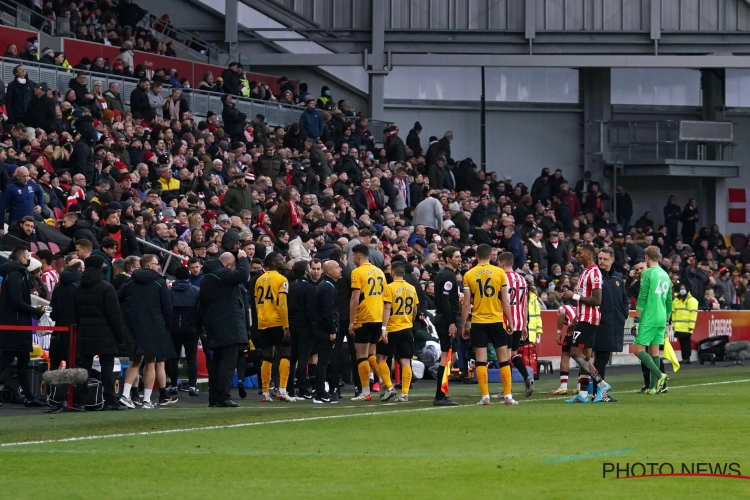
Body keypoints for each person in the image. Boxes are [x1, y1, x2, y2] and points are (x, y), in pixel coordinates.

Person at [118, 254, 177, 409]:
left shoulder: (130, 281)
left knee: (136, 361)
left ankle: (125, 395)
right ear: (150, 265)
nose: (159, 267)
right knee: (151, 362)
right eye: (157, 264)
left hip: (133, 326)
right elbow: (167, 307)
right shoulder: (159, 282)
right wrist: (167, 327)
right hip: (154, 326)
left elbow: (118, 298)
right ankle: (146, 400)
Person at [461, 243, 516, 406]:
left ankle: (485, 397)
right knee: (503, 359)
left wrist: (464, 325)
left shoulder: (469, 274)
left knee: (481, 360)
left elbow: (466, 303)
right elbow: (504, 300)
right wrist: (510, 321)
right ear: (491, 256)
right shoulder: (499, 272)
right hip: (496, 319)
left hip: (478, 321)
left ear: (476, 256)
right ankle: (508, 396)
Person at [73, 254, 126, 411]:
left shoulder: (78, 287)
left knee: (84, 368)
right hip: (105, 332)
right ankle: (110, 400)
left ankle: (81, 401)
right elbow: (114, 315)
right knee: (107, 367)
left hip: (85, 331)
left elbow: (76, 312)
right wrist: (120, 336)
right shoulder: (107, 287)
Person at [198, 251, 250, 407]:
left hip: (214, 325)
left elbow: (201, 305)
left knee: (217, 363)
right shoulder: (222, 275)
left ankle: (214, 398)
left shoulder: (207, 278)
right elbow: (243, 275)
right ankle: (224, 397)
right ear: (228, 265)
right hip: (228, 326)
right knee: (227, 363)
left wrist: (201, 324)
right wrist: (243, 258)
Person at [561, 244, 612, 403]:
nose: (576, 255)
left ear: (589, 255)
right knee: (586, 356)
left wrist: (573, 296)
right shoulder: (585, 272)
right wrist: (574, 320)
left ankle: (602, 384)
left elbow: (597, 300)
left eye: (579, 252)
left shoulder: (595, 272)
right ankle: (583, 394)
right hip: (582, 318)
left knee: (575, 353)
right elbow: (584, 301)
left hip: (589, 319)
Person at [0, 246, 46, 407]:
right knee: (8, 359)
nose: (29, 259)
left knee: (22, 359)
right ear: (21, 258)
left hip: (18, 323)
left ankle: (28, 395)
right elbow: (16, 301)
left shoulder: (17, 274)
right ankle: (28, 395)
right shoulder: (15, 275)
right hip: (15, 324)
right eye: (27, 256)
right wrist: (34, 311)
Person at [254, 252, 294, 402]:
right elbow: (282, 305)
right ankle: (282, 390)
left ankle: (265, 392)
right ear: (271, 263)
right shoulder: (281, 279)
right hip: (278, 321)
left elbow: (257, 303)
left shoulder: (259, 280)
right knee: (285, 354)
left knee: (267, 356)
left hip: (263, 322)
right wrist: (286, 326)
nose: (283, 261)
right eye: (280, 259)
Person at [348, 244, 387, 402]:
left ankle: (365, 391)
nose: (352, 259)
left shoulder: (357, 272)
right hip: (378, 316)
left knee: (361, 355)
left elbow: (355, 298)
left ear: (357, 256)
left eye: (353, 256)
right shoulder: (380, 272)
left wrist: (351, 322)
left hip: (364, 316)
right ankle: (386, 382)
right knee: (372, 353)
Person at [376, 261, 418, 403]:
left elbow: (387, 308)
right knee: (406, 362)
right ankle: (404, 394)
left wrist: (383, 328)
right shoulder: (411, 288)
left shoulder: (389, 287)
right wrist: (410, 322)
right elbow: (414, 309)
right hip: (407, 328)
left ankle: (389, 387)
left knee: (381, 358)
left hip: (393, 328)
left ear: (392, 273)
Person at [633, 246, 671, 395]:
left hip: (649, 316)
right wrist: (667, 321)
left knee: (638, 350)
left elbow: (642, 297)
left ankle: (659, 375)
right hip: (661, 317)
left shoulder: (647, 273)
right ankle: (653, 387)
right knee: (654, 352)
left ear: (647, 257)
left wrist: (636, 319)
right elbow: (669, 300)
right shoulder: (665, 274)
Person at [594, 247, 628, 403]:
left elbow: (624, 298)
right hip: (599, 322)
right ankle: (597, 392)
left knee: (602, 357)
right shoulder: (594, 275)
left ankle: (596, 392)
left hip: (614, 323)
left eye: (605, 259)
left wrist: (624, 314)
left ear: (612, 260)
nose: (601, 261)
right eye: (600, 258)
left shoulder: (618, 277)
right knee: (599, 357)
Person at [497, 252, 534, 398]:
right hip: (519, 322)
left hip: (506, 321)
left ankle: (507, 390)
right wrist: (524, 325)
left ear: (502, 263)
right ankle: (526, 377)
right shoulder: (522, 279)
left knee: (504, 356)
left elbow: (501, 301)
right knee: (514, 354)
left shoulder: (501, 278)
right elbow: (524, 305)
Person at [432, 246, 461, 406]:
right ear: (448, 258)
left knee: (451, 355)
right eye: (456, 256)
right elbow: (445, 300)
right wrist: (451, 322)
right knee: (447, 355)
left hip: (445, 318)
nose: (459, 259)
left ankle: (442, 391)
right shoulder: (448, 276)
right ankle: (440, 394)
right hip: (447, 319)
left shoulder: (444, 275)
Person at [310, 261, 342, 403]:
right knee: (323, 361)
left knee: (323, 361)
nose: (340, 269)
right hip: (324, 329)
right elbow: (328, 312)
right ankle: (320, 393)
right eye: (337, 267)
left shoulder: (325, 285)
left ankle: (321, 391)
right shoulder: (328, 287)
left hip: (319, 327)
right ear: (329, 272)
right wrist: (332, 330)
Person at [168, 266, 200, 397]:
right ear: (188, 276)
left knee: (173, 358)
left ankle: (174, 384)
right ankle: (192, 386)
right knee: (191, 358)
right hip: (191, 328)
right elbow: (200, 310)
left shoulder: (169, 292)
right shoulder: (195, 291)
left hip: (173, 329)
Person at [287, 260, 317, 400]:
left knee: (292, 358)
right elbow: (311, 310)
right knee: (304, 357)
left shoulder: (291, 286)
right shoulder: (309, 287)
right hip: (305, 326)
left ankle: (289, 388)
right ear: (306, 271)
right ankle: (302, 389)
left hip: (292, 324)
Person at [49, 259, 84, 370]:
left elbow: (52, 308)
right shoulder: (80, 286)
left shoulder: (58, 286)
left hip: (59, 328)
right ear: (78, 269)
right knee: (73, 363)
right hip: (75, 329)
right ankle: (70, 387)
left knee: (54, 363)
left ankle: (52, 387)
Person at [551, 304, 577, 395]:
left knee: (565, 355)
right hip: (585, 329)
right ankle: (581, 386)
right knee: (583, 356)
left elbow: (562, 313)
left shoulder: (562, 308)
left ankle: (563, 386)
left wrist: (558, 332)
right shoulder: (576, 308)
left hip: (573, 330)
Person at [672, 281, 698, 364]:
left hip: (686, 326)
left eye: (684, 288)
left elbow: (693, 314)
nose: (682, 290)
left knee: (686, 342)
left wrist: (691, 326)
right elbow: (674, 314)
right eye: (681, 289)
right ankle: (684, 358)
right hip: (679, 326)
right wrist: (673, 325)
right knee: (682, 342)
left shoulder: (691, 300)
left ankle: (687, 358)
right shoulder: (676, 300)